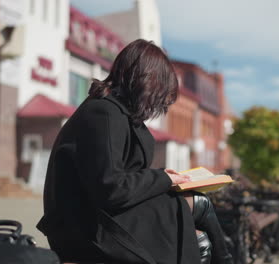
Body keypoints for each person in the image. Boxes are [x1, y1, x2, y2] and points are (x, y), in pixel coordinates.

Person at [36, 39, 232, 264]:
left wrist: (164, 178)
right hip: (85, 227)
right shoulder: (104, 113)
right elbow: (110, 188)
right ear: (147, 81)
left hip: (101, 215)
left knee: (195, 211)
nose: (159, 104)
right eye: (161, 91)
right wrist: (162, 178)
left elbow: (117, 177)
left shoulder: (114, 111)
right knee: (199, 214)